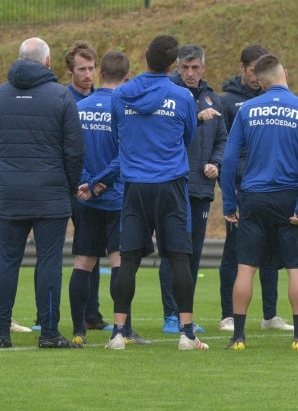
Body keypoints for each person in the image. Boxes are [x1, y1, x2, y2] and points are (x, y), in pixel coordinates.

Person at [107, 35, 207, 351]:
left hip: (135, 185)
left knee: (128, 259)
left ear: (146, 57)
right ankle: (186, 334)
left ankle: (118, 332)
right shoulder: (182, 97)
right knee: (179, 256)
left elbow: (116, 133)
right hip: (171, 186)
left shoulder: (121, 94)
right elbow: (188, 135)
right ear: (172, 64)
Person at [220, 54, 298, 351]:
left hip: (253, 196)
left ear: (259, 83)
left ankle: (238, 336)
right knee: (295, 268)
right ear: (285, 73)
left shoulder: (248, 109)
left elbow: (228, 160)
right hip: (289, 196)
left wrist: (229, 202)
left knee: (246, 268)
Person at [0, 38, 84, 349]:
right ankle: (49, 331)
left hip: (8, 192)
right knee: (49, 262)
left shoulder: (1, 95)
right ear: (48, 62)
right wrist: (70, 187)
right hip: (50, 192)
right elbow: (75, 152)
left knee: (6, 260)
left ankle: (1, 332)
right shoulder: (61, 96)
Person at [69, 51, 150, 346]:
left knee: (82, 263)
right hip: (117, 198)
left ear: (100, 74)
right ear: (127, 76)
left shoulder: (79, 107)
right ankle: (124, 329)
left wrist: (86, 183)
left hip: (86, 198)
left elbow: (72, 152)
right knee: (120, 262)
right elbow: (125, 154)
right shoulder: (125, 109)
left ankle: (78, 331)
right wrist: (100, 182)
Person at [219, 45, 292, 333]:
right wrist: (229, 191)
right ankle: (228, 315)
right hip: (242, 191)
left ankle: (270, 315)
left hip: (271, 190)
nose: (256, 77)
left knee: (271, 256)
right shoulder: (228, 102)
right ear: (243, 68)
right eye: (252, 71)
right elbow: (225, 152)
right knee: (235, 254)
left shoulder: (274, 100)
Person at [158, 45, 227, 334]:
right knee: (173, 252)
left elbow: (223, 139)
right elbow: (160, 135)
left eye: (195, 67)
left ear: (203, 68)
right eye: (184, 68)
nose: (189, 73)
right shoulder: (167, 95)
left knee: (193, 255)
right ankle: (171, 315)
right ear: (177, 66)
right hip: (172, 185)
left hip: (200, 188)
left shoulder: (213, 99)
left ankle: (185, 314)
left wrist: (216, 163)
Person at [63, 40, 108, 332]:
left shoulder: (101, 102)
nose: (88, 74)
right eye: (82, 69)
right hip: (69, 185)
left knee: (94, 251)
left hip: (99, 187)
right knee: (73, 254)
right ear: (70, 71)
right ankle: (48, 315)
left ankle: (92, 315)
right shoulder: (63, 100)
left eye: (92, 68)